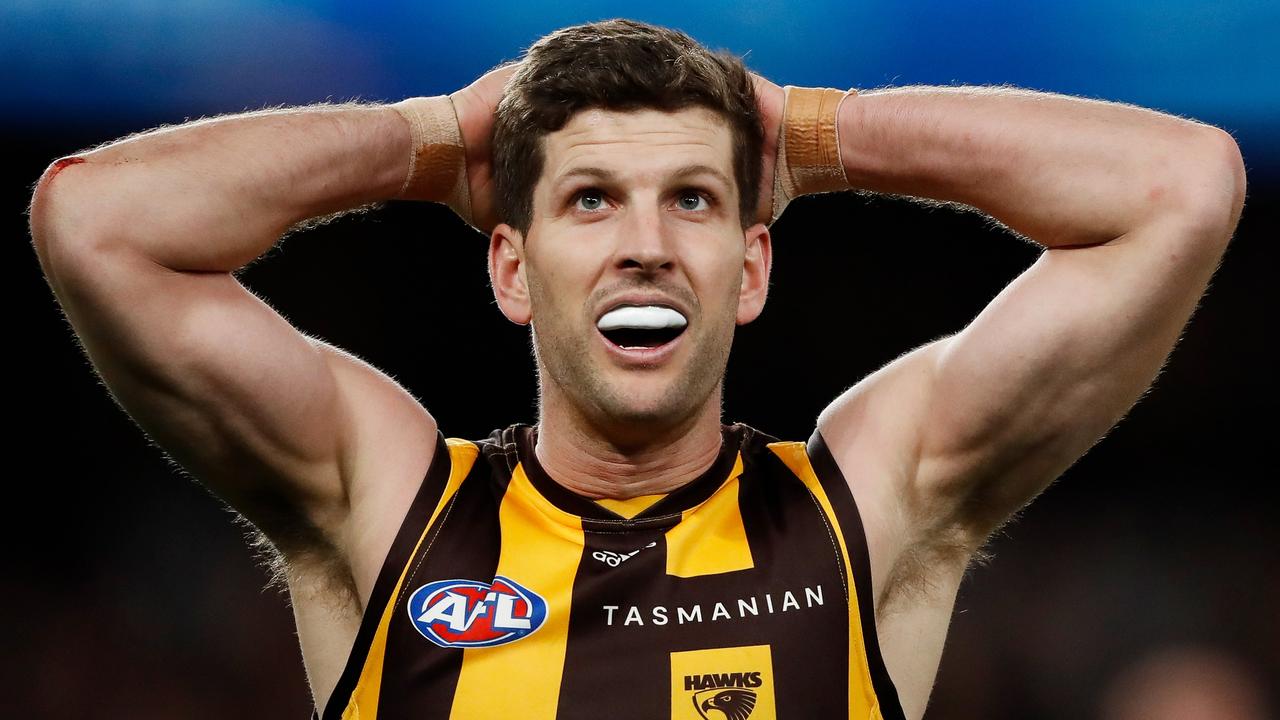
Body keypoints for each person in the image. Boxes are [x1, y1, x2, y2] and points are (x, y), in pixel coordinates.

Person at [27, 17, 1245, 720]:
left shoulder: (866, 508)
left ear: (751, 268)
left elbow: (1175, 187)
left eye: (694, 201)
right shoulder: (385, 502)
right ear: (510, 267)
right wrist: (438, 138)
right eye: (591, 201)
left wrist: (812, 133)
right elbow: (97, 222)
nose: (646, 248)